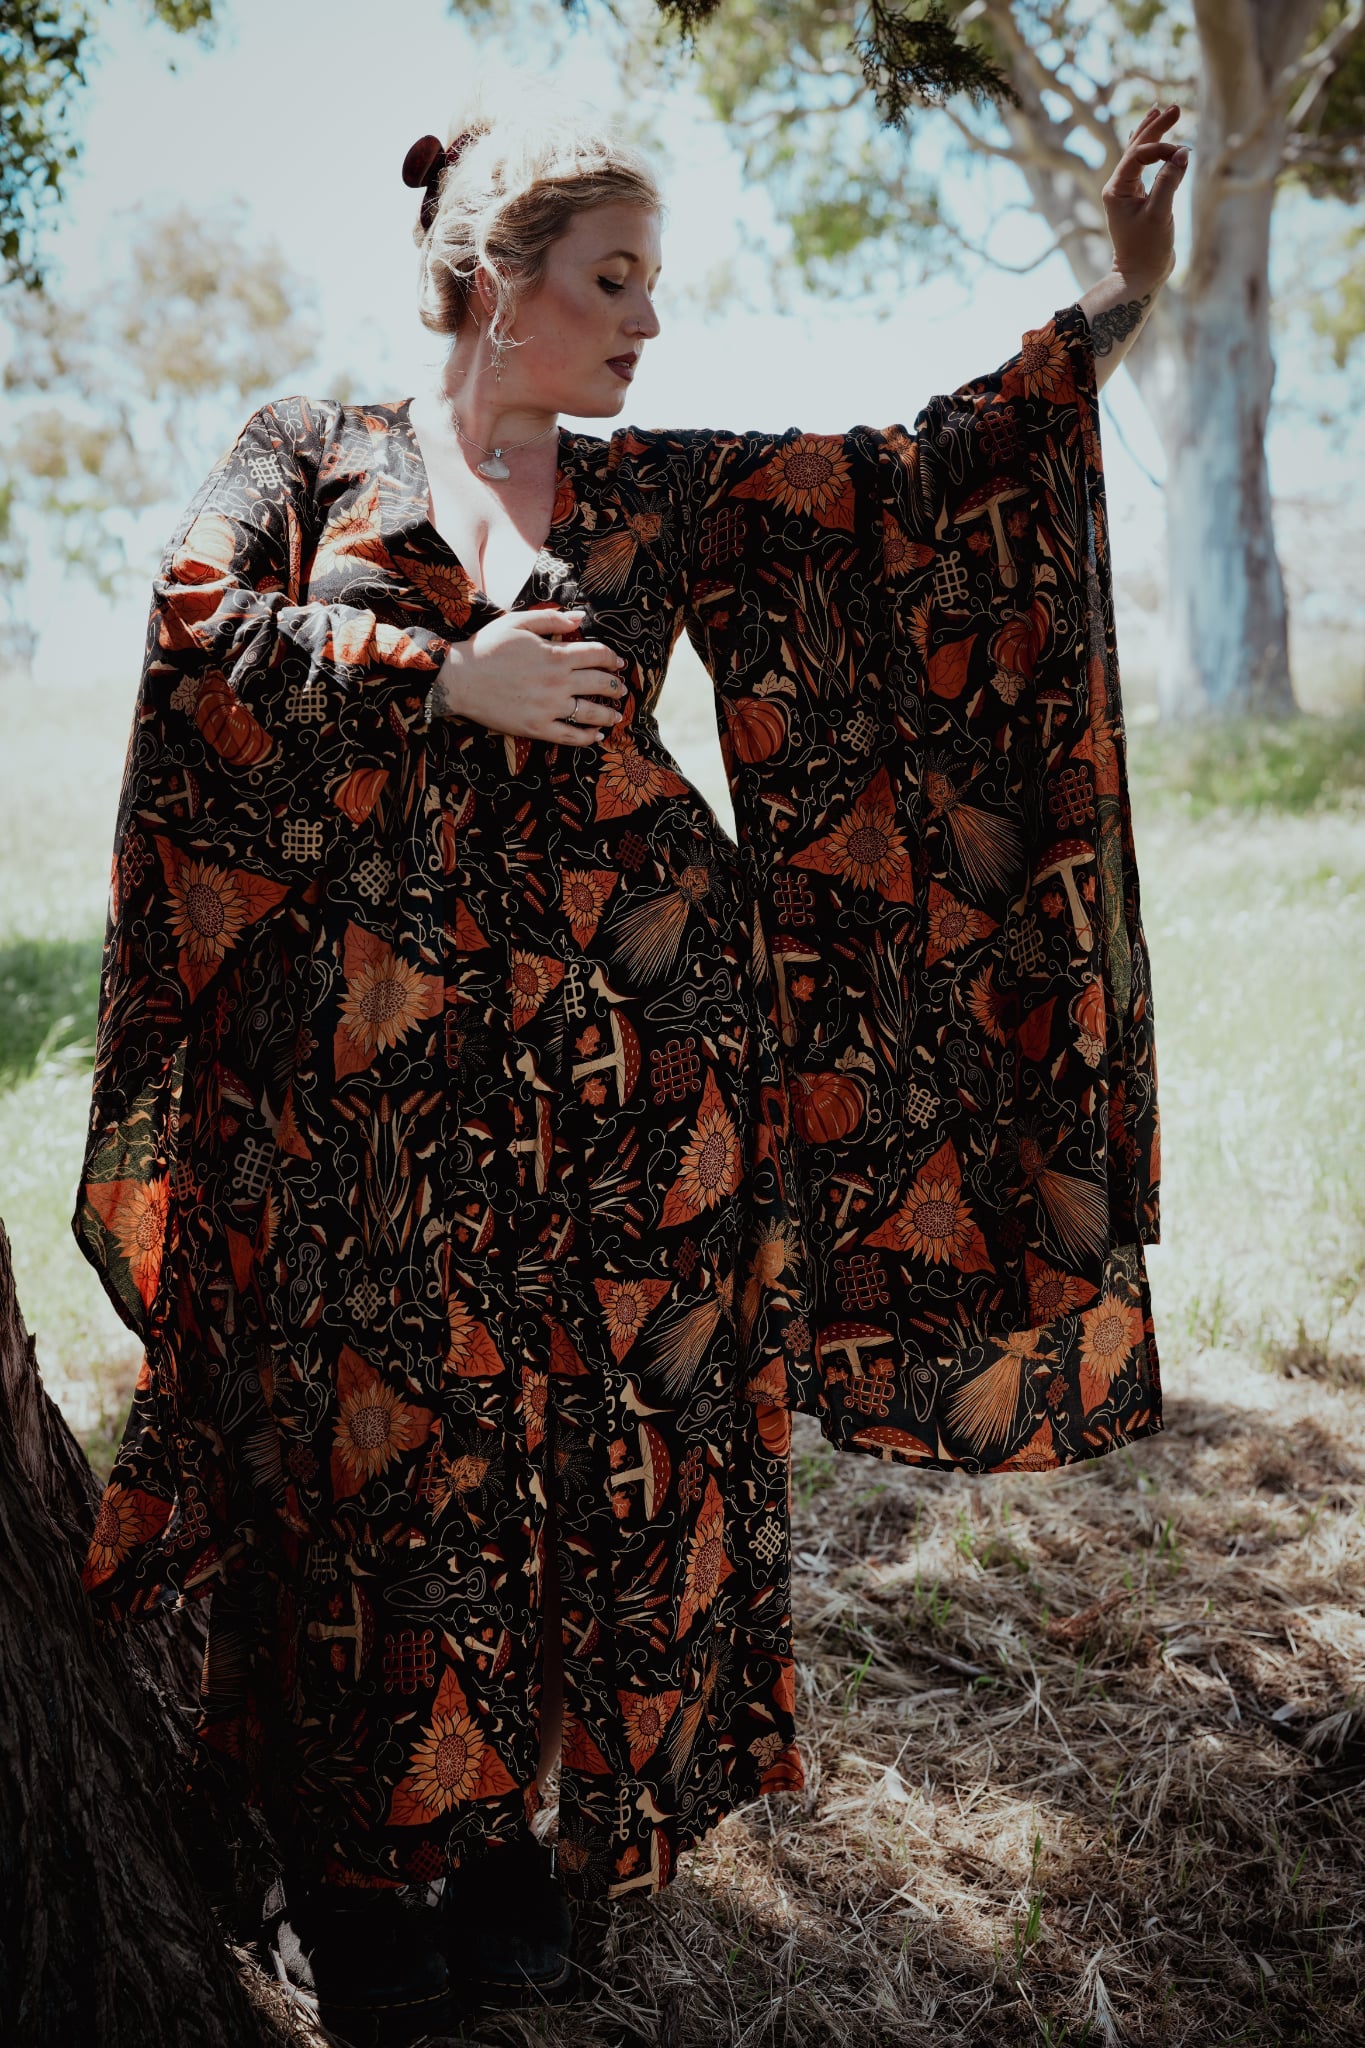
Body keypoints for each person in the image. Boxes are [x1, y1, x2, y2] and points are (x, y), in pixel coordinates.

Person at [72, 78, 1178, 2045]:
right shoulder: (309, 449)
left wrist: (1122, 292)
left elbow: (917, 485)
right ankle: (359, 1872)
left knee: (594, 1459)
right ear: (499, 280)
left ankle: (515, 1837)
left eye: (651, 283)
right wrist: (442, 676)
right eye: (613, 280)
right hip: (361, 1101)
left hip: (638, 1089)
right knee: (370, 1464)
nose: (648, 320)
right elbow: (194, 625)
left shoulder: (654, 488)